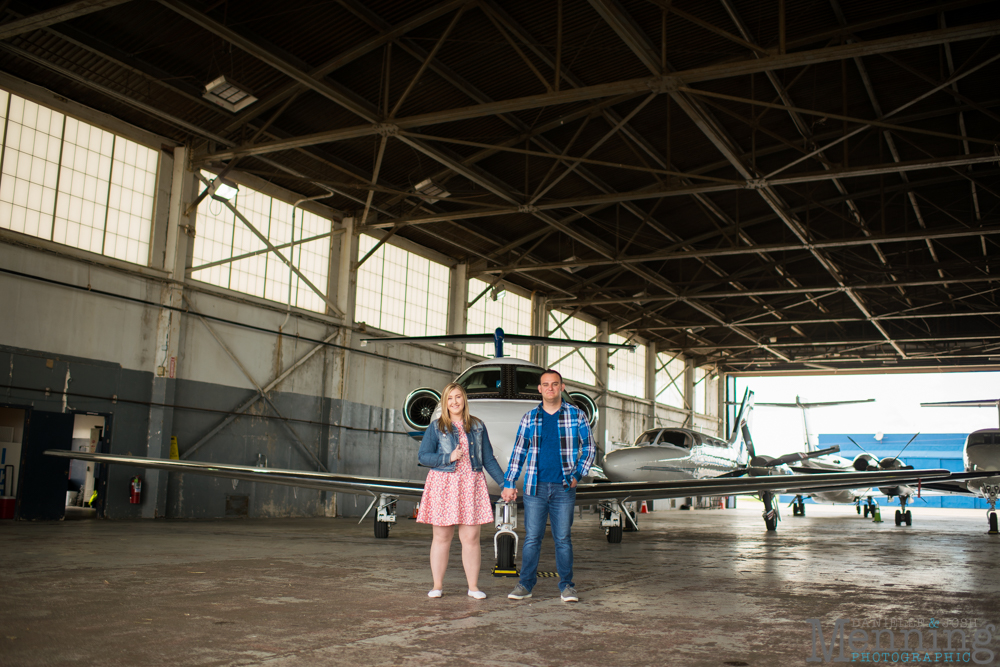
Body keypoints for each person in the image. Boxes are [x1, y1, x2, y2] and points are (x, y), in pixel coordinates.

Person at [501, 368, 596, 602]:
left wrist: (578, 475)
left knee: (563, 539)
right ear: (540, 389)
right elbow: (518, 451)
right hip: (535, 487)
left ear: (562, 387)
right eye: (546, 384)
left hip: (564, 487)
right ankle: (525, 585)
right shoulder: (530, 417)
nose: (550, 388)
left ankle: (567, 586)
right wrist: (509, 481)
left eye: (555, 384)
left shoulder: (576, 415)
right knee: (532, 538)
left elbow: (591, 448)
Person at [417, 382, 508, 599]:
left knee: (471, 538)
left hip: (471, 485)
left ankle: (473, 587)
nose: (454, 402)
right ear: (445, 402)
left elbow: (488, 459)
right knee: (441, 537)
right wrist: (447, 458)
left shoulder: (477, 426)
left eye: (458, 397)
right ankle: (437, 585)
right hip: (444, 484)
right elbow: (423, 456)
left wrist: (505, 484)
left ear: (464, 400)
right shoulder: (436, 427)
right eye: (450, 398)